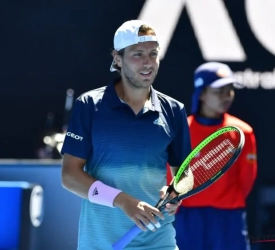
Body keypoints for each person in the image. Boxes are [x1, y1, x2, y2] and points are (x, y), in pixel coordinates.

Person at [60, 20, 191, 250]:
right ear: (117, 59)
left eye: (153, 53)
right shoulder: (89, 105)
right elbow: (70, 176)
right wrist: (122, 201)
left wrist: (175, 192)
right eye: (138, 54)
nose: (148, 62)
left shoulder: (174, 110)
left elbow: (184, 174)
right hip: (100, 243)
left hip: (158, 242)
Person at [167, 62, 257, 250]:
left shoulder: (243, 132)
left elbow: (247, 179)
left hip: (229, 219)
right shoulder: (181, 131)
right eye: (219, 91)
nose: (226, 96)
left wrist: (227, 200)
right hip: (187, 218)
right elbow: (171, 179)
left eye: (229, 90)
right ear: (202, 93)